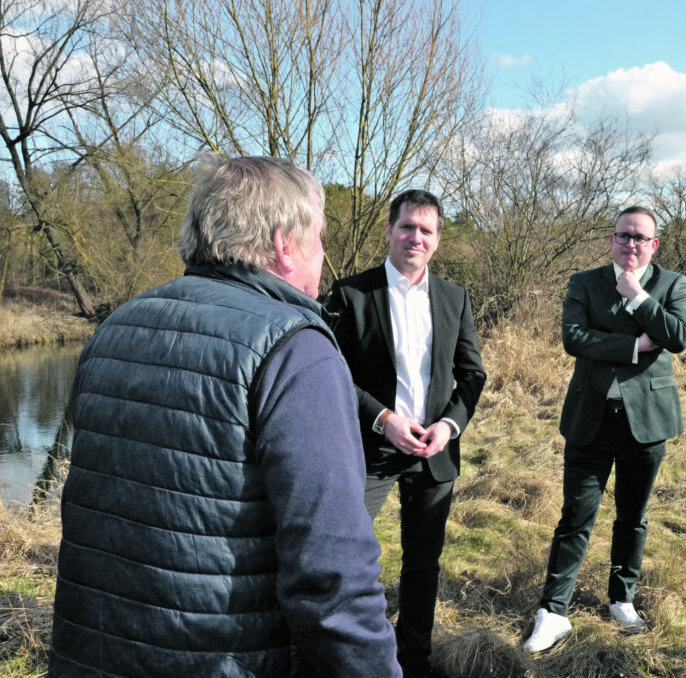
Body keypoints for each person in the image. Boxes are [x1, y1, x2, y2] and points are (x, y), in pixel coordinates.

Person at [49, 156, 401, 677]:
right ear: (285, 242)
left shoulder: (114, 330)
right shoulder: (296, 350)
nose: (324, 257)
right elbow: (332, 575)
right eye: (319, 238)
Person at [324, 189, 487, 678]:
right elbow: (331, 372)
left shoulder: (455, 298)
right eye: (407, 227)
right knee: (343, 554)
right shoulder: (351, 294)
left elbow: (472, 375)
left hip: (432, 452)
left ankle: (413, 658)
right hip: (368, 448)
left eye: (426, 230)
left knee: (423, 564)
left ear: (437, 240)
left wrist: (448, 425)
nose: (415, 237)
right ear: (390, 230)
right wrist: (383, 418)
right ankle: (345, 650)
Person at [522, 206, 686, 653]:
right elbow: (573, 338)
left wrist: (637, 297)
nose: (630, 244)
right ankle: (554, 612)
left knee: (632, 517)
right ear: (611, 239)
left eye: (640, 237)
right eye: (622, 236)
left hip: (647, 423)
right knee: (575, 517)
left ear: (654, 244)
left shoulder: (671, 284)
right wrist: (635, 344)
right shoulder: (584, 281)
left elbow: (678, 336)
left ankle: (622, 598)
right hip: (590, 419)